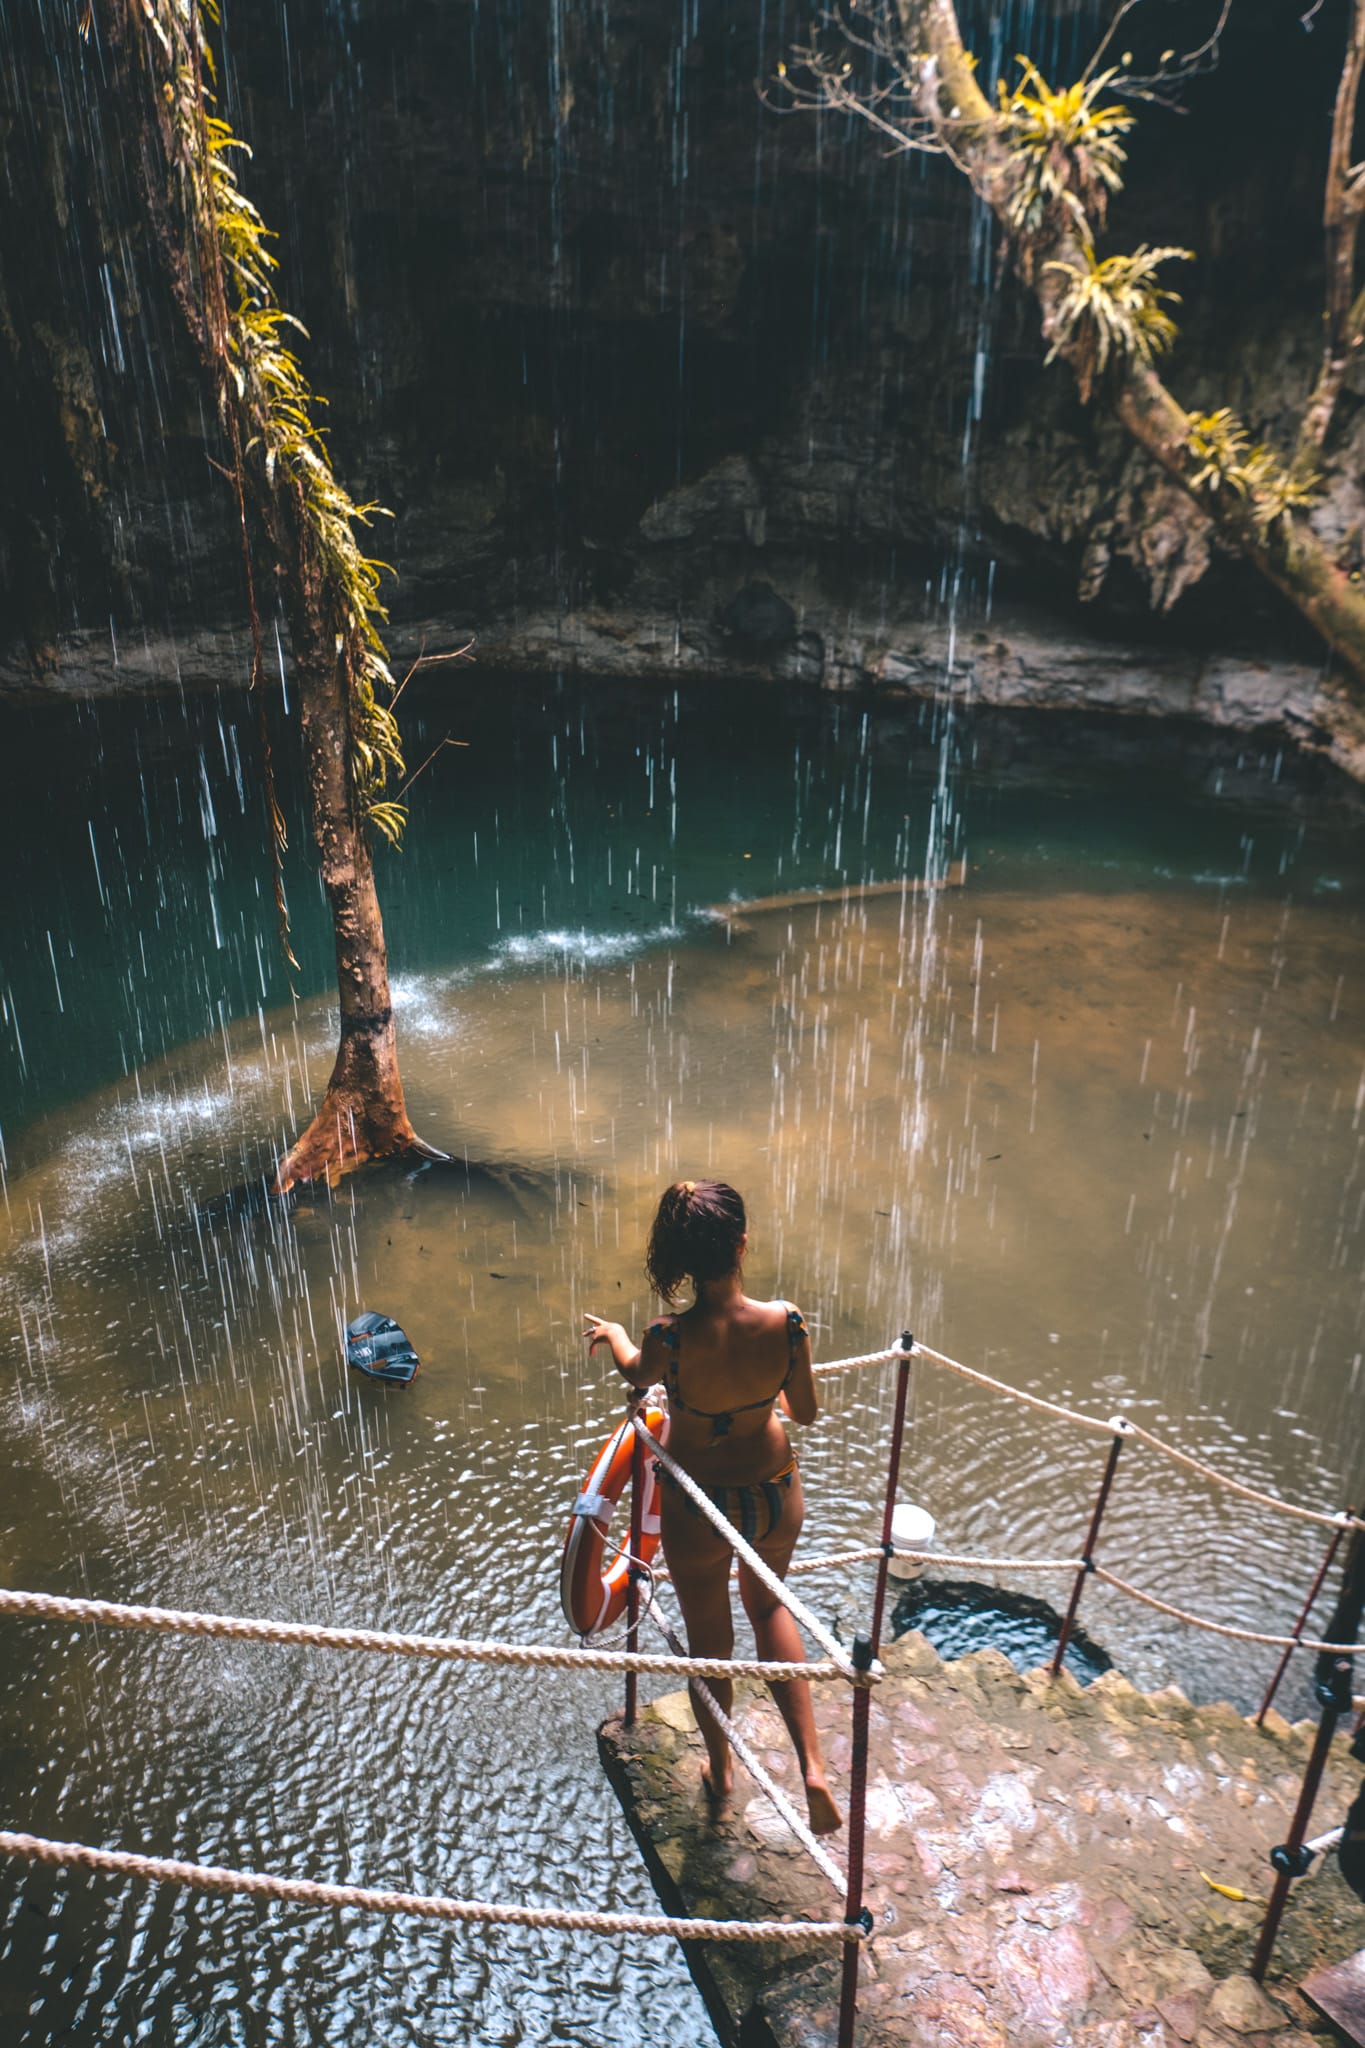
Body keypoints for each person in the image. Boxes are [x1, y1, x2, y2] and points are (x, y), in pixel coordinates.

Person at [583, 1178, 843, 1835]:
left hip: (699, 1502)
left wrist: (615, 1335)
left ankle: (722, 1768)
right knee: (768, 1606)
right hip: (773, 1489)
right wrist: (767, 1396)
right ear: (741, 1244)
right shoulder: (786, 1323)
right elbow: (806, 1413)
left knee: (709, 1639)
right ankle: (811, 1766)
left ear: (681, 1257)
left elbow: (635, 1373)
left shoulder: (669, 1335)